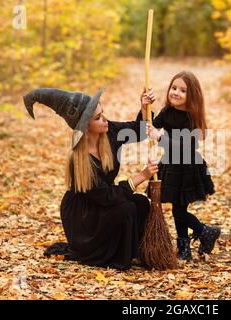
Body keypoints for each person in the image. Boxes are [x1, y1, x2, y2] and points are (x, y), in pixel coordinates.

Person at [23, 87, 157, 270]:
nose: (104, 119)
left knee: (141, 203)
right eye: (97, 118)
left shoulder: (108, 132)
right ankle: (115, 257)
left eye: (102, 113)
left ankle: (134, 251)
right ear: (85, 126)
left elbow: (137, 131)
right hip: (85, 218)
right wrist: (142, 176)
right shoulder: (81, 162)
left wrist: (144, 108)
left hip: (103, 203)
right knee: (126, 208)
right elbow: (108, 196)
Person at [146, 71, 220, 261]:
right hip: (171, 164)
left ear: (192, 96)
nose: (176, 92)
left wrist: (160, 137)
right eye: (174, 88)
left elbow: (185, 145)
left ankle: (205, 231)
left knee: (179, 210)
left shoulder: (191, 118)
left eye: (183, 90)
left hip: (187, 166)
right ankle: (184, 249)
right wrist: (146, 106)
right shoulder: (167, 111)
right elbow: (151, 125)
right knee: (177, 207)